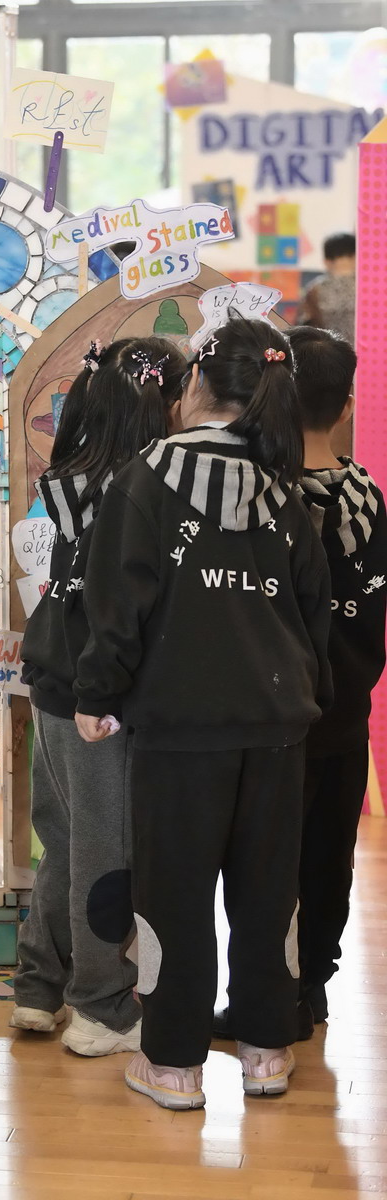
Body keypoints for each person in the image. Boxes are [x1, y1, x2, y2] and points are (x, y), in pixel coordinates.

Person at [74, 317, 332, 1110]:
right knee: (269, 895)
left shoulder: (145, 478)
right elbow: (314, 613)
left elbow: (117, 607)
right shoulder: (286, 487)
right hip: (278, 728)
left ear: (194, 385)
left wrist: (97, 694)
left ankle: (174, 1065)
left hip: (178, 730)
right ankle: (266, 1053)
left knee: (173, 898)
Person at [12, 337, 186, 1057]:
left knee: (67, 840)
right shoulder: (144, 489)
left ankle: (37, 985)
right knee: (106, 850)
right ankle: (100, 1007)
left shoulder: (65, 480)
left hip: (52, 679)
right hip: (101, 695)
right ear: (163, 404)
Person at [286, 327, 386, 1032]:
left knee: (272, 859)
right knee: (330, 856)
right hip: (349, 710)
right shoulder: (370, 497)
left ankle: (275, 985)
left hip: (278, 716)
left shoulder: (263, 499)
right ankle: (313, 984)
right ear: (347, 405)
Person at [298, 233, 356, 345]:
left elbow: (305, 325)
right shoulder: (368, 286)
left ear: (327, 262)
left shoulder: (315, 289)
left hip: (330, 350)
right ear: (355, 257)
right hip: (366, 349)